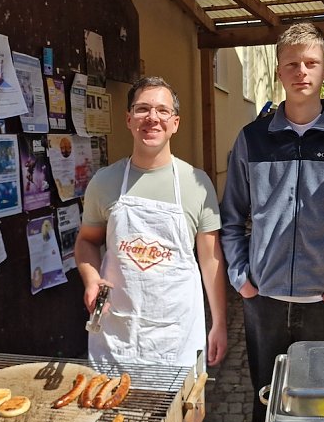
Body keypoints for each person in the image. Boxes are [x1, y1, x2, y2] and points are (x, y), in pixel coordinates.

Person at [220, 22, 324, 422]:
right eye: (292, 63)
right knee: (265, 401)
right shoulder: (253, 137)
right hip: (262, 300)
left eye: (311, 63)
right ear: (279, 71)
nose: (301, 71)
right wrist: (241, 278)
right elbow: (231, 217)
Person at [75, 76, 228, 368]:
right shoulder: (104, 182)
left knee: (182, 413)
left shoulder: (196, 184)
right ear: (129, 119)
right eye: (143, 109)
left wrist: (219, 321)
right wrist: (91, 279)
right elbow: (86, 241)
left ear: (175, 123)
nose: (152, 118)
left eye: (162, 110)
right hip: (117, 331)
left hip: (177, 332)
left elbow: (210, 259)